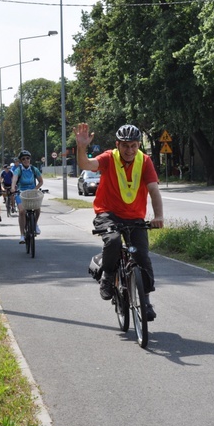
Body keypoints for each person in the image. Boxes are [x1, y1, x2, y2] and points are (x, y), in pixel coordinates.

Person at [74, 122, 164, 321]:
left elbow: (154, 190)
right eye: (125, 145)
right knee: (113, 241)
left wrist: (158, 216)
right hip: (108, 214)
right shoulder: (108, 158)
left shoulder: (145, 161)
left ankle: (146, 301)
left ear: (139, 144)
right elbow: (86, 165)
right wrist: (82, 147)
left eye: (133, 145)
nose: (129, 150)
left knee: (142, 256)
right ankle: (107, 276)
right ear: (117, 144)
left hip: (135, 217)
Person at [11, 150, 44, 244]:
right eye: (23, 159)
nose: (26, 160)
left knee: (37, 208)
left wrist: (35, 189)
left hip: (32, 193)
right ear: (21, 161)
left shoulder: (34, 169)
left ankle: (35, 224)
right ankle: (22, 235)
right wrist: (13, 188)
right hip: (21, 193)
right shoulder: (19, 170)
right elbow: (14, 179)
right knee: (22, 211)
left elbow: (41, 181)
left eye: (28, 158)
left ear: (30, 159)